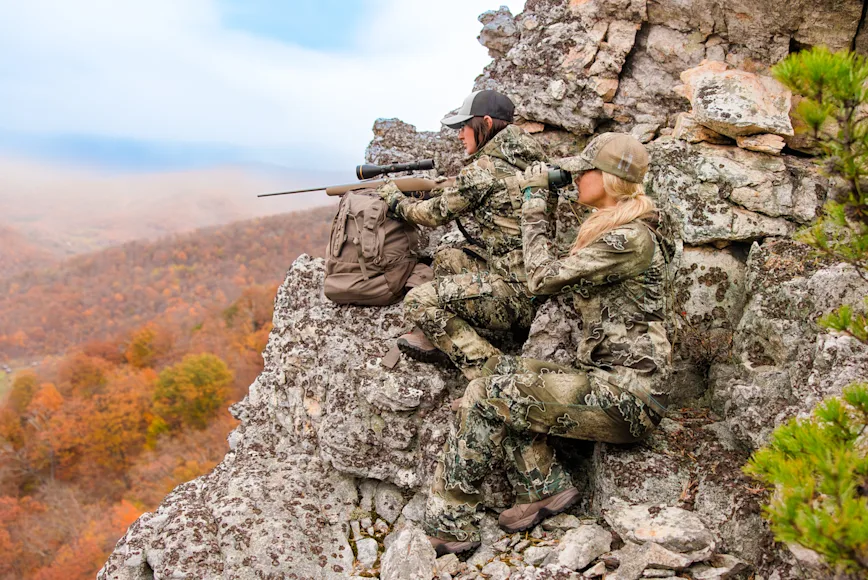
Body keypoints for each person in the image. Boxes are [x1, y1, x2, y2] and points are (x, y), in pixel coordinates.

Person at [422, 133, 673, 556]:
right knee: (501, 379)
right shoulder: (615, 230)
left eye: (583, 171)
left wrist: (534, 202)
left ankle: (449, 526)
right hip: (607, 384)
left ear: (608, 179)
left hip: (629, 397)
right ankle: (542, 486)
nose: (575, 178)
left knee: (488, 393)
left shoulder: (629, 239)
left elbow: (539, 278)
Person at [378, 89, 550, 379]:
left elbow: (433, 215)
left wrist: (396, 200)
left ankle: (494, 376)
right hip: (539, 283)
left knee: (418, 301)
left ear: (485, 122)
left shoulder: (483, 170)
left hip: (519, 295)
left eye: (463, 127)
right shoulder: (533, 160)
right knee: (448, 258)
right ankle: (447, 335)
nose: (460, 135)